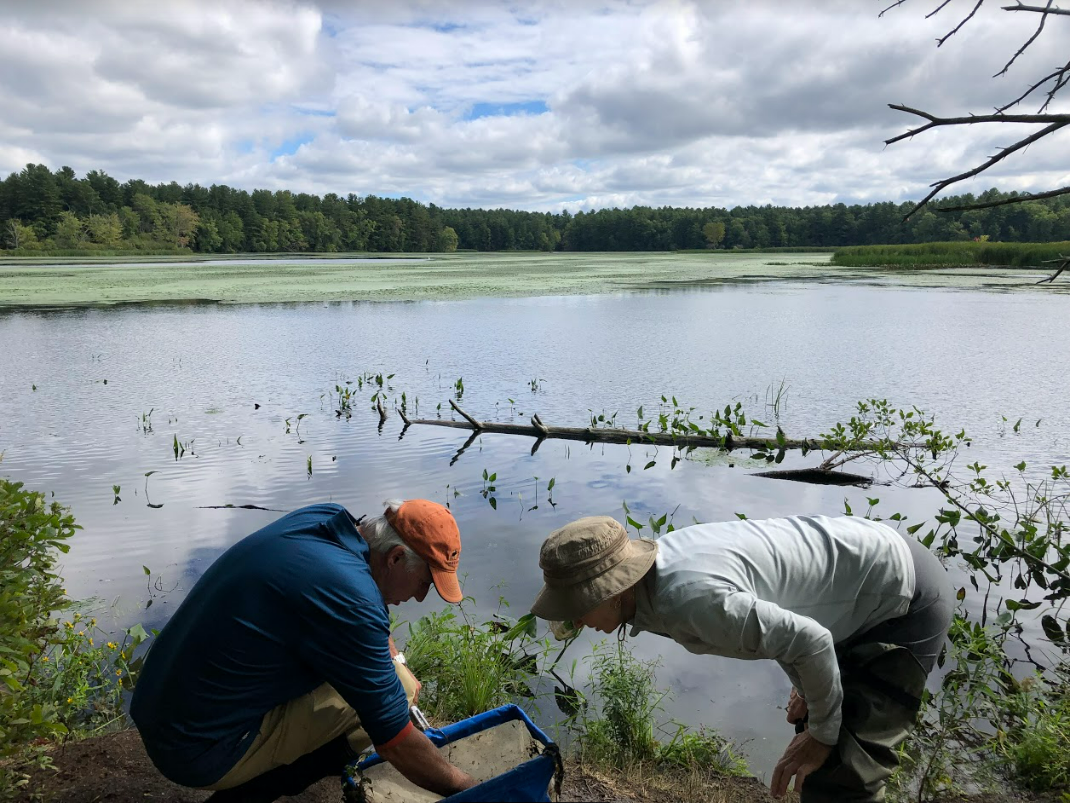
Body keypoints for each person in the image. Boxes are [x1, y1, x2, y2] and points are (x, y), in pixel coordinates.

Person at [530, 514, 954, 803]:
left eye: (578, 608)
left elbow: (809, 640)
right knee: (815, 726)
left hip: (902, 597)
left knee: (845, 771)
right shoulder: (657, 579)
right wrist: (808, 689)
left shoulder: (689, 600)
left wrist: (824, 733)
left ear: (615, 590)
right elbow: (784, 620)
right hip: (856, 587)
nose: (579, 623)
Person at [131, 499, 478, 801]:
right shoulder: (352, 600)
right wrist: (469, 789)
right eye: (424, 583)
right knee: (395, 692)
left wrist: (375, 634)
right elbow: (395, 741)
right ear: (396, 557)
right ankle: (247, 796)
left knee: (377, 676)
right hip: (197, 749)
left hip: (158, 707)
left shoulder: (323, 521)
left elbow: (346, 597)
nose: (420, 597)